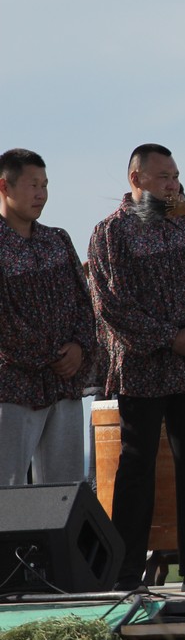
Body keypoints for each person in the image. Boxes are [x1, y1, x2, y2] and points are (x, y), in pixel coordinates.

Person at [89, 143, 185, 590]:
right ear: (135, 180)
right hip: (141, 368)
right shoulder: (110, 234)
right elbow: (111, 307)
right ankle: (124, 574)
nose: (173, 185)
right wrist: (168, 339)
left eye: (176, 176)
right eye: (163, 177)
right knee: (136, 469)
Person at [0, 149, 94, 487]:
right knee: (7, 490)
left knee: (64, 493)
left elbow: (84, 302)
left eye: (45, 185)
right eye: (32, 185)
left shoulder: (57, 240)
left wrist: (80, 347)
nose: (41, 194)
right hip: (13, 387)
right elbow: (4, 322)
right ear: (4, 187)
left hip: (65, 386)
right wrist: (49, 356)